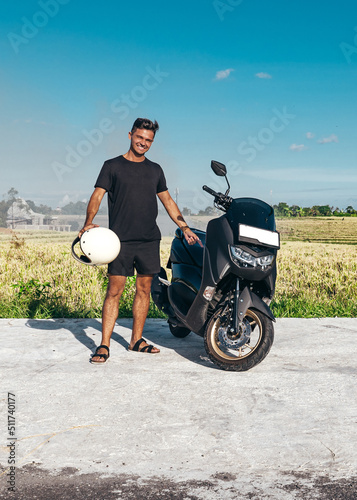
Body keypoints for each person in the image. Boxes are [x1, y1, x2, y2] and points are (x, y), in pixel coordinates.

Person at [79, 118, 201, 363]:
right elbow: (97, 195)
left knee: (144, 290)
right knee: (115, 291)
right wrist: (88, 222)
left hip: (148, 241)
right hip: (119, 242)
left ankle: (136, 340)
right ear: (130, 135)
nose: (143, 143)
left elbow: (167, 200)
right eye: (140, 137)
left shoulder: (155, 170)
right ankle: (104, 344)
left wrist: (184, 226)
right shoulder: (112, 166)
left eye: (148, 140)